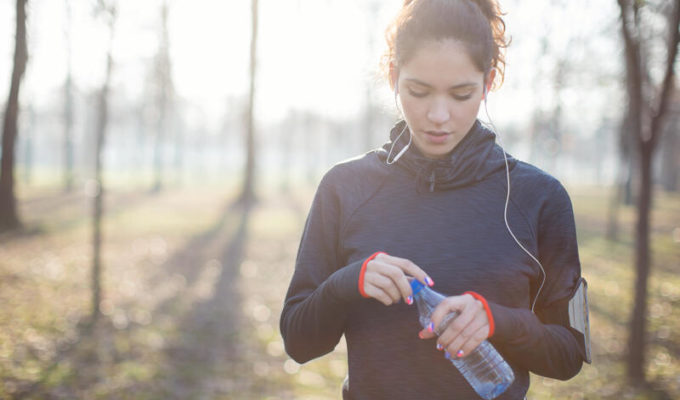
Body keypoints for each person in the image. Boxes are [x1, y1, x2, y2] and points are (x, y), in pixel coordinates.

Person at [280, 0, 590, 398]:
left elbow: (568, 356)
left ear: (489, 81)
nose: (438, 115)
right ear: (393, 76)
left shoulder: (539, 198)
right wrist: (347, 282)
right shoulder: (345, 188)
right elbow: (298, 342)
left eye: (461, 94)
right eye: (419, 91)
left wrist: (497, 321)